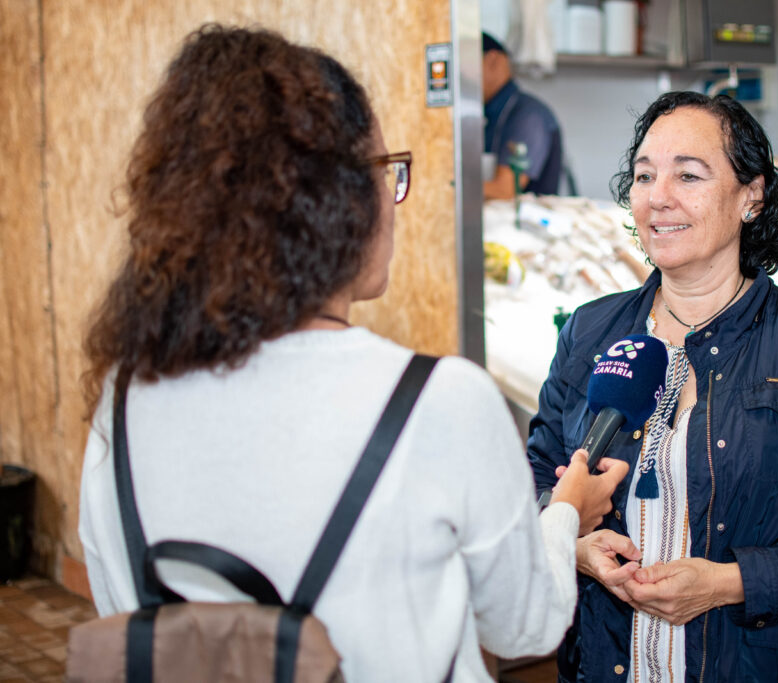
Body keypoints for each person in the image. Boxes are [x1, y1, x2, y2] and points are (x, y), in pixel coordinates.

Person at [78, 25, 629, 682]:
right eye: (385, 171)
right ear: (333, 203)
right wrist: (567, 509)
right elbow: (523, 623)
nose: (393, 201)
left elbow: (123, 602)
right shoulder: (440, 399)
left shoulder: (123, 394)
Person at [527, 91, 778, 681]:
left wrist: (728, 583)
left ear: (752, 195)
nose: (658, 197)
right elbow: (540, 472)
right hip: (607, 659)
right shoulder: (590, 329)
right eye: (644, 176)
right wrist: (572, 544)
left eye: (688, 175)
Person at [482, 32, 563, 199]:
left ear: (493, 61)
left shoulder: (528, 116)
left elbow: (506, 190)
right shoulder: (487, 115)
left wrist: (445, 185)